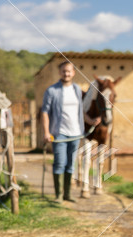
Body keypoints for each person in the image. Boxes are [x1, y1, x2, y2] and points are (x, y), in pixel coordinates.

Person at [42, 61, 98, 203]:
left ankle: (67, 194)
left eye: (69, 71)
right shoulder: (52, 91)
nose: (66, 74)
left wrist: (90, 121)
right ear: (60, 72)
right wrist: (46, 132)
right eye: (63, 71)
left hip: (76, 133)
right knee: (60, 163)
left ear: (73, 73)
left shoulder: (77, 90)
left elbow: (80, 111)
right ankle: (58, 195)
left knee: (70, 164)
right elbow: (45, 113)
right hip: (59, 133)